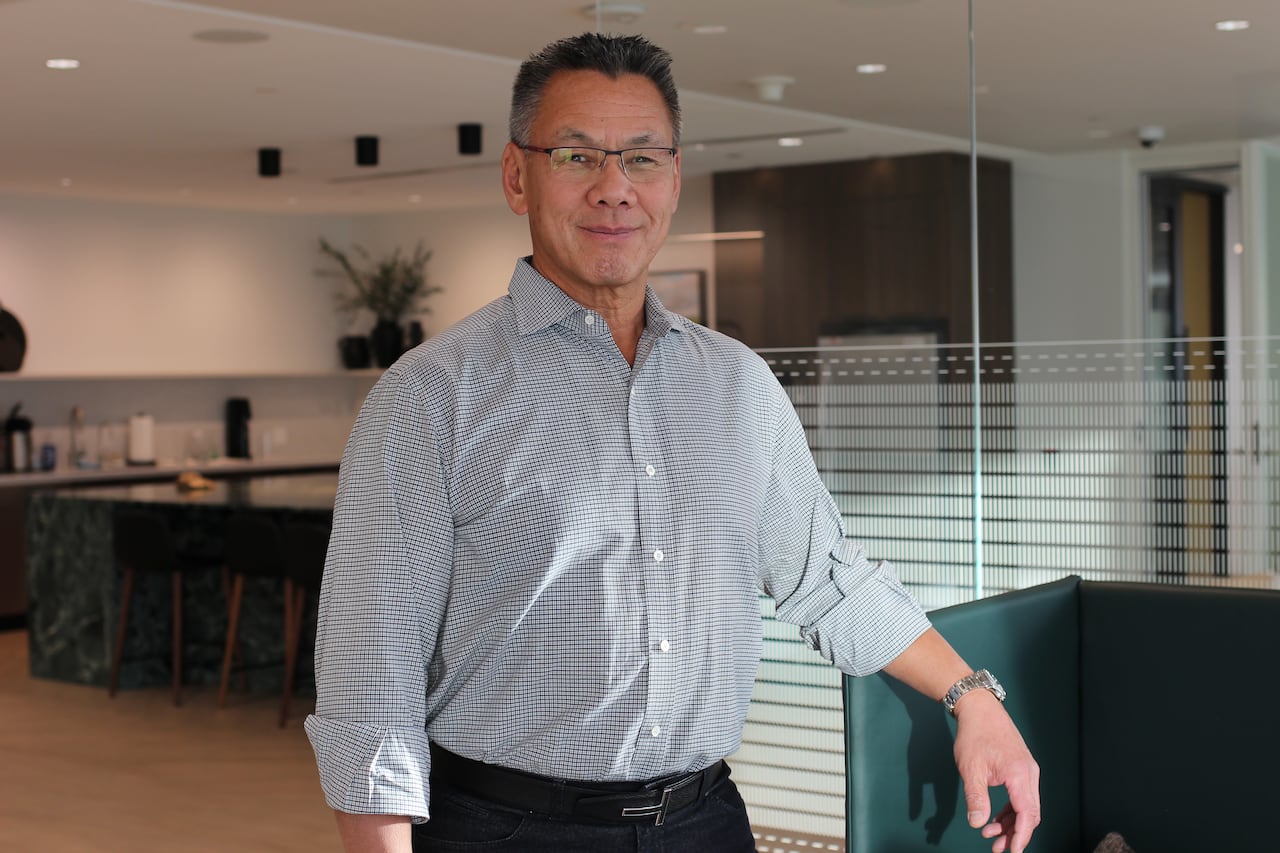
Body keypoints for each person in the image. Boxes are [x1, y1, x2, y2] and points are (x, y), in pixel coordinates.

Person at [305, 32, 1040, 853]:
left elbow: (830, 581)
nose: (615, 189)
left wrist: (972, 697)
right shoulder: (429, 396)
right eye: (578, 156)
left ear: (676, 180)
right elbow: (371, 687)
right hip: (505, 830)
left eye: (643, 159)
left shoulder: (738, 384)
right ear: (519, 175)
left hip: (704, 821)